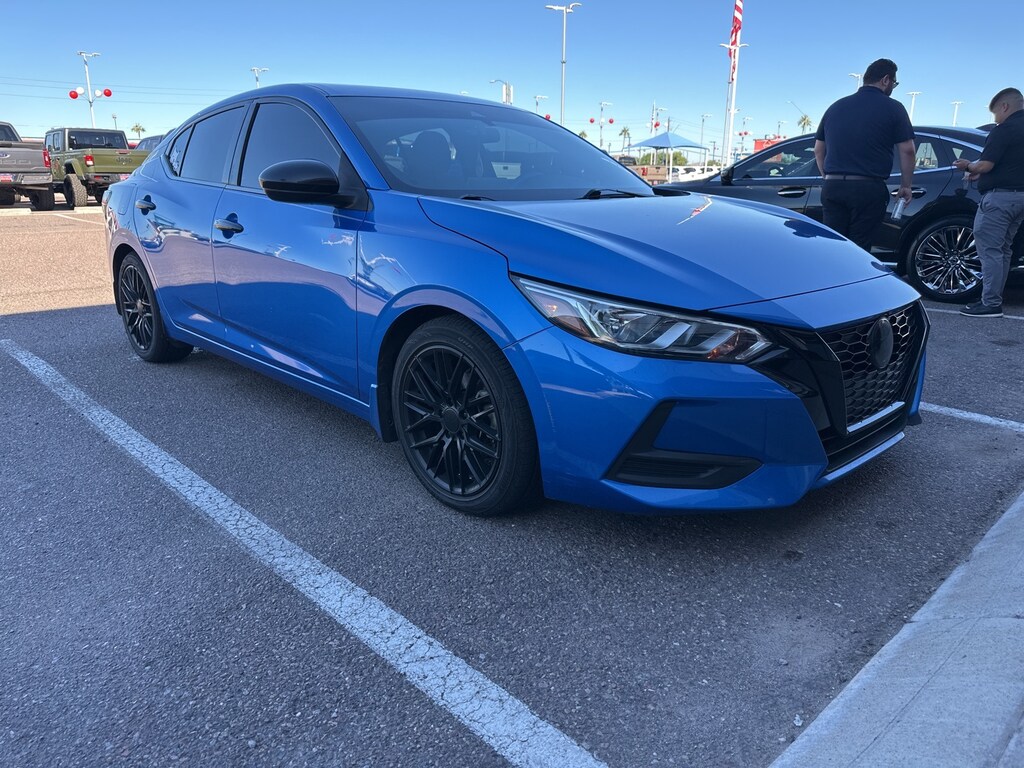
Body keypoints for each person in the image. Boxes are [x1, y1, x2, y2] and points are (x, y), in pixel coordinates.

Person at [813, 59, 916, 251]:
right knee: (858, 249)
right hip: (867, 188)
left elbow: (819, 149)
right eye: (894, 83)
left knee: (833, 247)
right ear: (886, 80)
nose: (893, 87)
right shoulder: (894, 107)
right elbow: (908, 150)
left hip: (833, 186)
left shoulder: (836, 107)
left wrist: (827, 176)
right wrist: (906, 185)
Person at [952, 87, 1024, 318]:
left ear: (1004, 106)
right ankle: (993, 298)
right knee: (1003, 250)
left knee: (990, 250)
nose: (996, 119)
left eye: (995, 114)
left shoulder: (1004, 130)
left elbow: (986, 165)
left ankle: (990, 303)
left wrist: (968, 166)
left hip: (1000, 199)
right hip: (1020, 198)